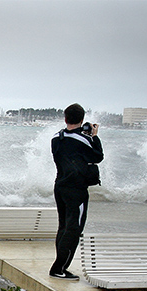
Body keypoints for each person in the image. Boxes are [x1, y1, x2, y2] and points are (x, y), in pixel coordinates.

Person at [49, 103, 104, 280]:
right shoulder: (84, 139)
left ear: (65, 118)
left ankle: (60, 266)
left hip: (60, 186)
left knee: (63, 227)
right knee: (74, 229)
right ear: (82, 119)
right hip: (76, 190)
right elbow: (97, 156)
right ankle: (59, 268)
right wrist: (94, 136)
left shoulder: (57, 138)